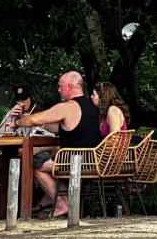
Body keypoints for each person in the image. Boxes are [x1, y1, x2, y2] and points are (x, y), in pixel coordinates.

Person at [8, 71, 101, 218]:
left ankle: (60, 204)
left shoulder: (68, 106)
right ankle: (68, 204)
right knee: (49, 163)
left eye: (60, 86)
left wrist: (17, 123)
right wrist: (43, 124)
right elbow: (61, 127)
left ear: (69, 86)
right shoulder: (90, 106)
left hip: (75, 163)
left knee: (33, 162)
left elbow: (33, 120)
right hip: (92, 159)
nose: (58, 90)